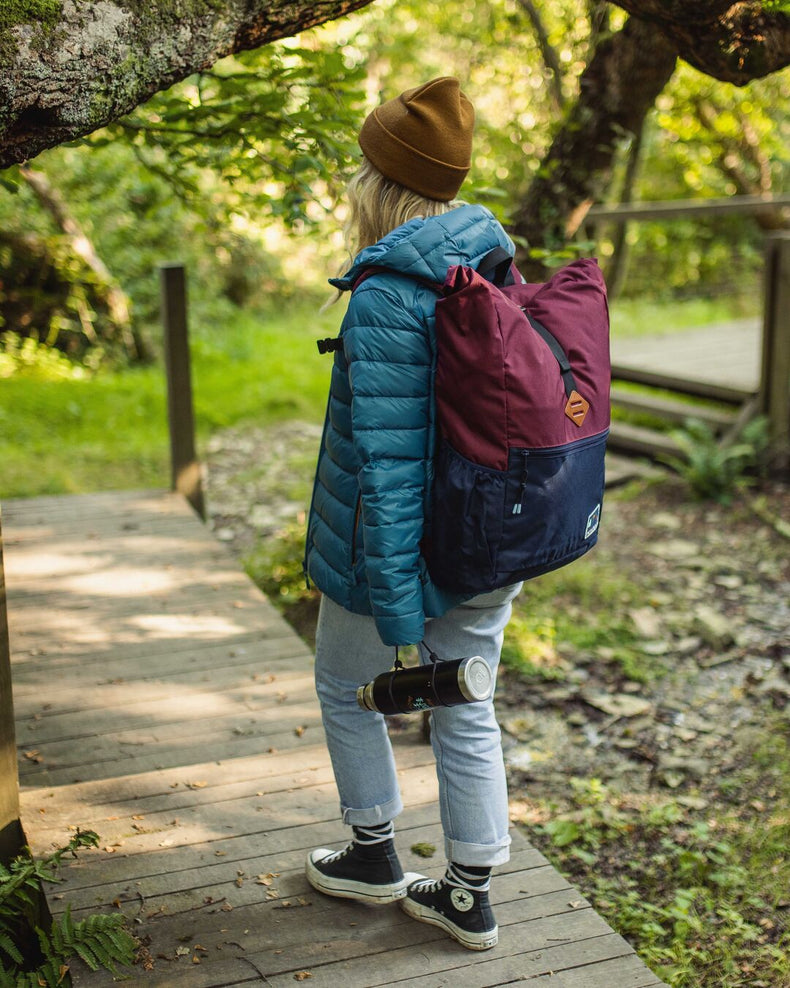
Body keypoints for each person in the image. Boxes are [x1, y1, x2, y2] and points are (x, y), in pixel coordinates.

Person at [302, 76, 521, 952]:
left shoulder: (390, 293)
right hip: (483, 538)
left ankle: (373, 855)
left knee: (345, 689)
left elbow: (388, 471)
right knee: (468, 702)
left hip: (392, 550)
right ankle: (468, 895)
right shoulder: (491, 255)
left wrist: (397, 610)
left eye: (363, 165)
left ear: (382, 183)